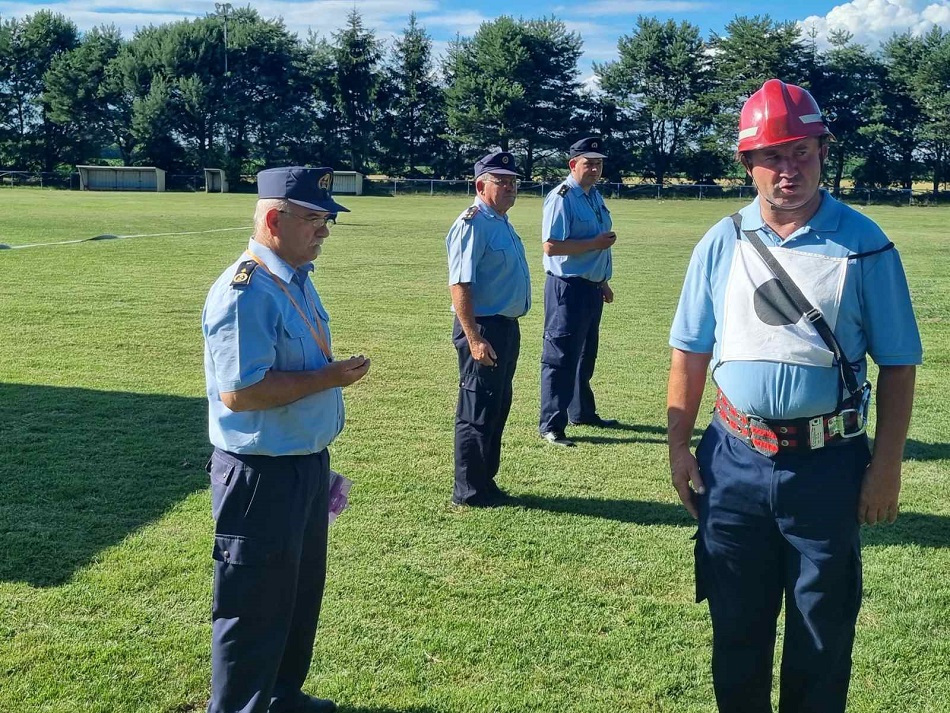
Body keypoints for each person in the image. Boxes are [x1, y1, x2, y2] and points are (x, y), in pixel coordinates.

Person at [667, 79, 921, 713]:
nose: (790, 170)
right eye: (774, 156)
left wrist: (885, 467)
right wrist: (678, 447)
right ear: (747, 163)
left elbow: (898, 364)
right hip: (732, 461)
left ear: (821, 152)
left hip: (827, 466)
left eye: (802, 152)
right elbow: (689, 350)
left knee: (821, 635)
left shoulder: (865, 244)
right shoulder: (720, 242)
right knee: (736, 633)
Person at [202, 166, 371, 713]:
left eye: (327, 220)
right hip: (259, 475)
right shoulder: (244, 291)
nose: (325, 231)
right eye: (316, 220)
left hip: (301, 464)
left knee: (297, 598)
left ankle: (280, 696)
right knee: (252, 607)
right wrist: (329, 378)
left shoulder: (296, 277)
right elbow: (241, 393)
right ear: (275, 218)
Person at [445, 151, 531, 507]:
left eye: (513, 181)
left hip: (505, 328)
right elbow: (460, 285)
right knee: (477, 408)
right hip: (482, 329)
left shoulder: (499, 220)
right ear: (481, 185)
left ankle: (485, 482)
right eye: (502, 181)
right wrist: (474, 338)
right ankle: (468, 490)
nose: (510, 187)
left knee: (497, 406)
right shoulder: (472, 223)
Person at [539, 136, 619, 447]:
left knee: (585, 355)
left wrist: (602, 281)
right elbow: (551, 246)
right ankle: (551, 425)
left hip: (590, 287)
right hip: (567, 288)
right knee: (560, 357)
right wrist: (593, 245)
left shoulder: (593, 195)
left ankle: (581, 411)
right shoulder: (562, 197)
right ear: (573, 165)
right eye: (589, 163)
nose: (595, 168)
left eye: (599, 163)